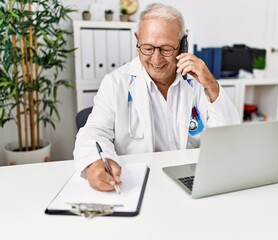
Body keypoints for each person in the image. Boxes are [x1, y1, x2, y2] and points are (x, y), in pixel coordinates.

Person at [73, 3, 240, 192]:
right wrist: (95, 162)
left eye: (166, 48)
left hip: (193, 180)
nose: (156, 59)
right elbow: (94, 132)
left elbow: (229, 138)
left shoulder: (198, 82)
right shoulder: (116, 83)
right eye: (148, 48)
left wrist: (211, 84)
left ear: (183, 44)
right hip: (140, 183)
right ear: (137, 40)